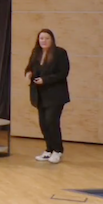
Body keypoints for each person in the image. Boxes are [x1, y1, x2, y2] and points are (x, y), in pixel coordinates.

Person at [25, 28, 71, 164]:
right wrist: (28, 73)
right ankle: (49, 149)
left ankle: (58, 150)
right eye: (41, 38)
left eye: (46, 38)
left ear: (52, 40)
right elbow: (29, 67)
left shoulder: (60, 53)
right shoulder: (36, 53)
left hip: (55, 95)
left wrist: (45, 80)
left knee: (52, 121)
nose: (43, 41)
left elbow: (63, 73)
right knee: (43, 123)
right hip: (40, 95)